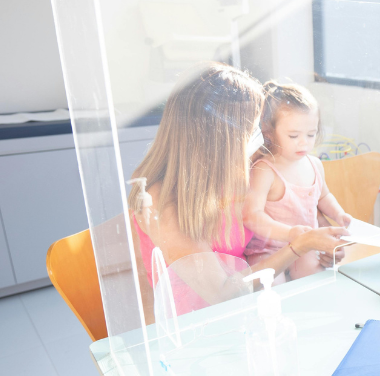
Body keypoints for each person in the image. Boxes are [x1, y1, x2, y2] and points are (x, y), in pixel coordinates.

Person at [128, 63, 347, 315]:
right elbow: (222, 293)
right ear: (220, 134)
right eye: (252, 127)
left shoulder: (233, 172)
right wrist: (299, 246)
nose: (261, 136)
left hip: (249, 307)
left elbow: (287, 215)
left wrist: (320, 245)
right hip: (199, 326)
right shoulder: (160, 199)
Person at [243, 81, 352, 283]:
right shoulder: (265, 169)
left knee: (314, 281)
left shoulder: (315, 165)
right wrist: (290, 233)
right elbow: (251, 216)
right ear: (269, 132)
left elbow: (324, 197)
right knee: (271, 286)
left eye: (311, 134)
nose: (304, 142)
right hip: (268, 250)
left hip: (306, 246)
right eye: (294, 135)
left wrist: (338, 214)